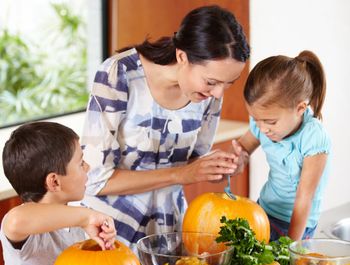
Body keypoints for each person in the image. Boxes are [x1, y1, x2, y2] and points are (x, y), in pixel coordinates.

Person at [81, 5, 250, 250]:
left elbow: (193, 163)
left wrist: (218, 167)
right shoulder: (119, 74)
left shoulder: (209, 94)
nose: (218, 92)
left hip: (166, 235)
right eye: (212, 82)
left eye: (228, 84)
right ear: (182, 57)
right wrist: (180, 175)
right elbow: (95, 180)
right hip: (107, 234)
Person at [0, 121, 116, 265]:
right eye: (81, 163)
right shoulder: (29, 232)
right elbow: (15, 220)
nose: (87, 167)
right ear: (54, 182)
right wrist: (86, 217)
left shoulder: (79, 217)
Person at [231, 50, 331, 241]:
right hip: (264, 211)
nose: (262, 128)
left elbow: (304, 198)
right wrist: (239, 157)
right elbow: (244, 146)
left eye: (270, 122)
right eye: (255, 119)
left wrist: (290, 245)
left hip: (297, 224)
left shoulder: (314, 138)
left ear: (300, 109)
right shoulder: (263, 124)